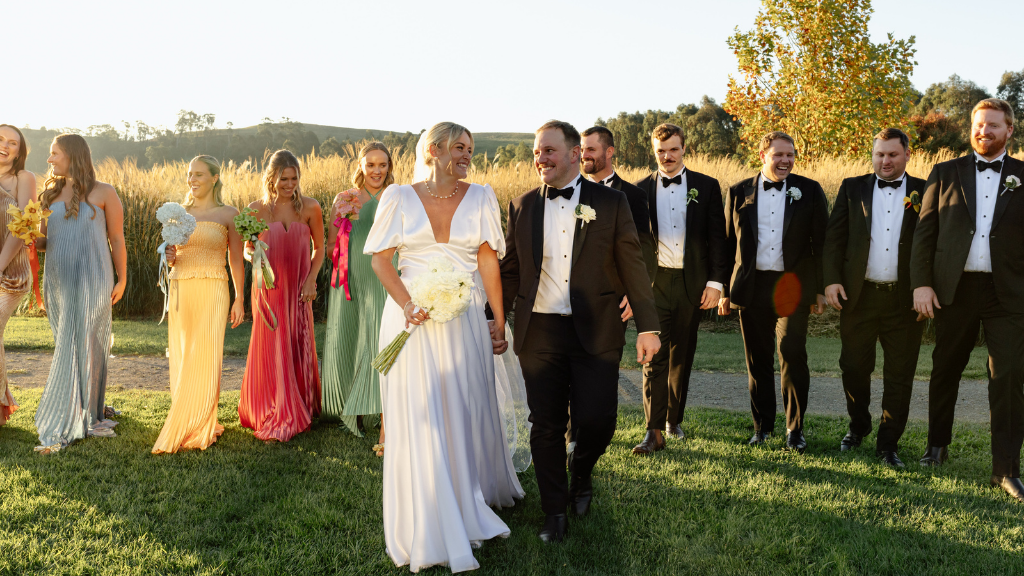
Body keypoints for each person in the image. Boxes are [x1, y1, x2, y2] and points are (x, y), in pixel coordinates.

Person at [365, 122, 524, 572]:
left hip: (464, 317)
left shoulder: (481, 196)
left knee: (460, 407)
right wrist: (408, 303)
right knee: (421, 410)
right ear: (432, 150)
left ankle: (463, 495)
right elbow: (381, 260)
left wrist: (497, 317)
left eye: (469, 149)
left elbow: (488, 259)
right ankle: (428, 508)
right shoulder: (398, 197)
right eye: (457, 147)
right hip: (410, 318)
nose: (466, 155)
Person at [500, 120, 660, 543]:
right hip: (539, 333)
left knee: (597, 421)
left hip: (597, 329)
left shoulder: (611, 203)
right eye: (537, 152)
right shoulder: (522, 206)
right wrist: (487, 313)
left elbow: (633, 265)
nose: (541, 158)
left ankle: (582, 473)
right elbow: (511, 272)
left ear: (574, 154)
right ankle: (553, 512)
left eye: (549, 151)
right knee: (546, 424)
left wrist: (648, 325)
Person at [911, 98, 1024, 503]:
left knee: (1008, 377)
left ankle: (1006, 470)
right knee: (945, 368)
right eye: (979, 125)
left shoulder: (1022, 176)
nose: (984, 132)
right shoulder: (944, 172)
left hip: (1008, 294)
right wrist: (921, 285)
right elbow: (925, 234)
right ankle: (936, 448)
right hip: (952, 290)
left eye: (993, 126)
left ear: (1009, 131)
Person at [822, 129, 926, 467]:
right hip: (859, 296)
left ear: (907, 154)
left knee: (900, 374)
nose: (885, 161)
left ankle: (888, 444)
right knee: (853, 367)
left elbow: (934, 244)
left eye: (893, 155)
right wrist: (832, 282)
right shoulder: (852, 188)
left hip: (904, 301)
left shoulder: (925, 191)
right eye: (880, 155)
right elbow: (834, 240)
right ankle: (858, 425)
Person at [719, 131, 827, 453]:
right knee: (758, 361)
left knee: (793, 353)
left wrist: (819, 290)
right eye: (779, 154)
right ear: (763, 154)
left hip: (791, 285)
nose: (785, 161)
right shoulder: (738, 192)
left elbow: (821, 244)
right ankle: (763, 428)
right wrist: (724, 290)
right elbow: (727, 246)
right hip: (751, 286)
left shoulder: (809, 190)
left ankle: (795, 429)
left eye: (790, 155)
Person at [630, 123, 730, 454]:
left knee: (680, 357)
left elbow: (719, 239)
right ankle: (653, 429)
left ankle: (674, 419)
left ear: (684, 148)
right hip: (653, 285)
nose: (667, 156)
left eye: (673, 149)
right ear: (653, 152)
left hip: (692, 284)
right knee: (653, 356)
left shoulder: (707, 186)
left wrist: (716, 283)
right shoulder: (638, 191)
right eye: (661, 151)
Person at [35, 134, 127, 453]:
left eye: (54, 153)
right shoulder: (48, 196)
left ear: (72, 155)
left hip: (94, 278)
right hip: (58, 280)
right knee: (66, 341)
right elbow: (45, 241)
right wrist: (28, 238)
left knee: (87, 341)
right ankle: (85, 406)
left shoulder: (104, 192)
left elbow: (117, 238)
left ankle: (84, 412)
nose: (50, 160)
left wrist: (123, 279)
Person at [152, 155, 245, 454]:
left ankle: (200, 421)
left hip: (214, 288)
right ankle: (187, 413)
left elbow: (235, 260)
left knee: (206, 354)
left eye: (199, 174)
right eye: (189, 174)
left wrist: (240, 297)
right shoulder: (178, 213)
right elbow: (173, 254)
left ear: (215, 178)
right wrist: (168, 258)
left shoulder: (229, 213)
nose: (192, 179)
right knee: (183, 352)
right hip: (181, 287)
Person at [571, 125, 653, 455]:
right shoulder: (567, 190)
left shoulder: (632, 196)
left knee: (603, 374)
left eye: (591, 149)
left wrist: (635, 295)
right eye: (581, 149)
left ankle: (598, 433)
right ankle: (572, 437)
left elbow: (644, 251)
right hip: (569, 298)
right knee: (569, 371)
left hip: (612, 302)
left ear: (609, 152)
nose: (584, 155)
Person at [238, 149, 324, 443]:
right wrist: (254, 257)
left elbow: (320, 249)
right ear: (271, 178)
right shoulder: (255, 209)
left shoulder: (311, 207)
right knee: (273, 343)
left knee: (297, 340)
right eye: (283, 178)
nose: (289, 184)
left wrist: (312, 279)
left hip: (300, 288)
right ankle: (272, 406)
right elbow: (246, 248)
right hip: (270, 288)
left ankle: (300, 402)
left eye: (294, 178)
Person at [321, 142, 394, 454]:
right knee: (353, 339)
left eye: (382, 165)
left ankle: (386, 413)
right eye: (371, 165)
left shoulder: (398, 197)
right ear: (361, 167)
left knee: (380, 339)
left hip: (385, 278)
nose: (376, 171)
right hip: (350, 279)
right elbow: (329, 245)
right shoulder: (345, 198)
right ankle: (355, 408)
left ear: (389, 167)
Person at [0, 125, 36, 426]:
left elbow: (24, 226)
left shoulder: (23, 179)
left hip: (12, 273)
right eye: (0, 139)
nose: (5, 146)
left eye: (13, 142)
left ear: (19, 151)